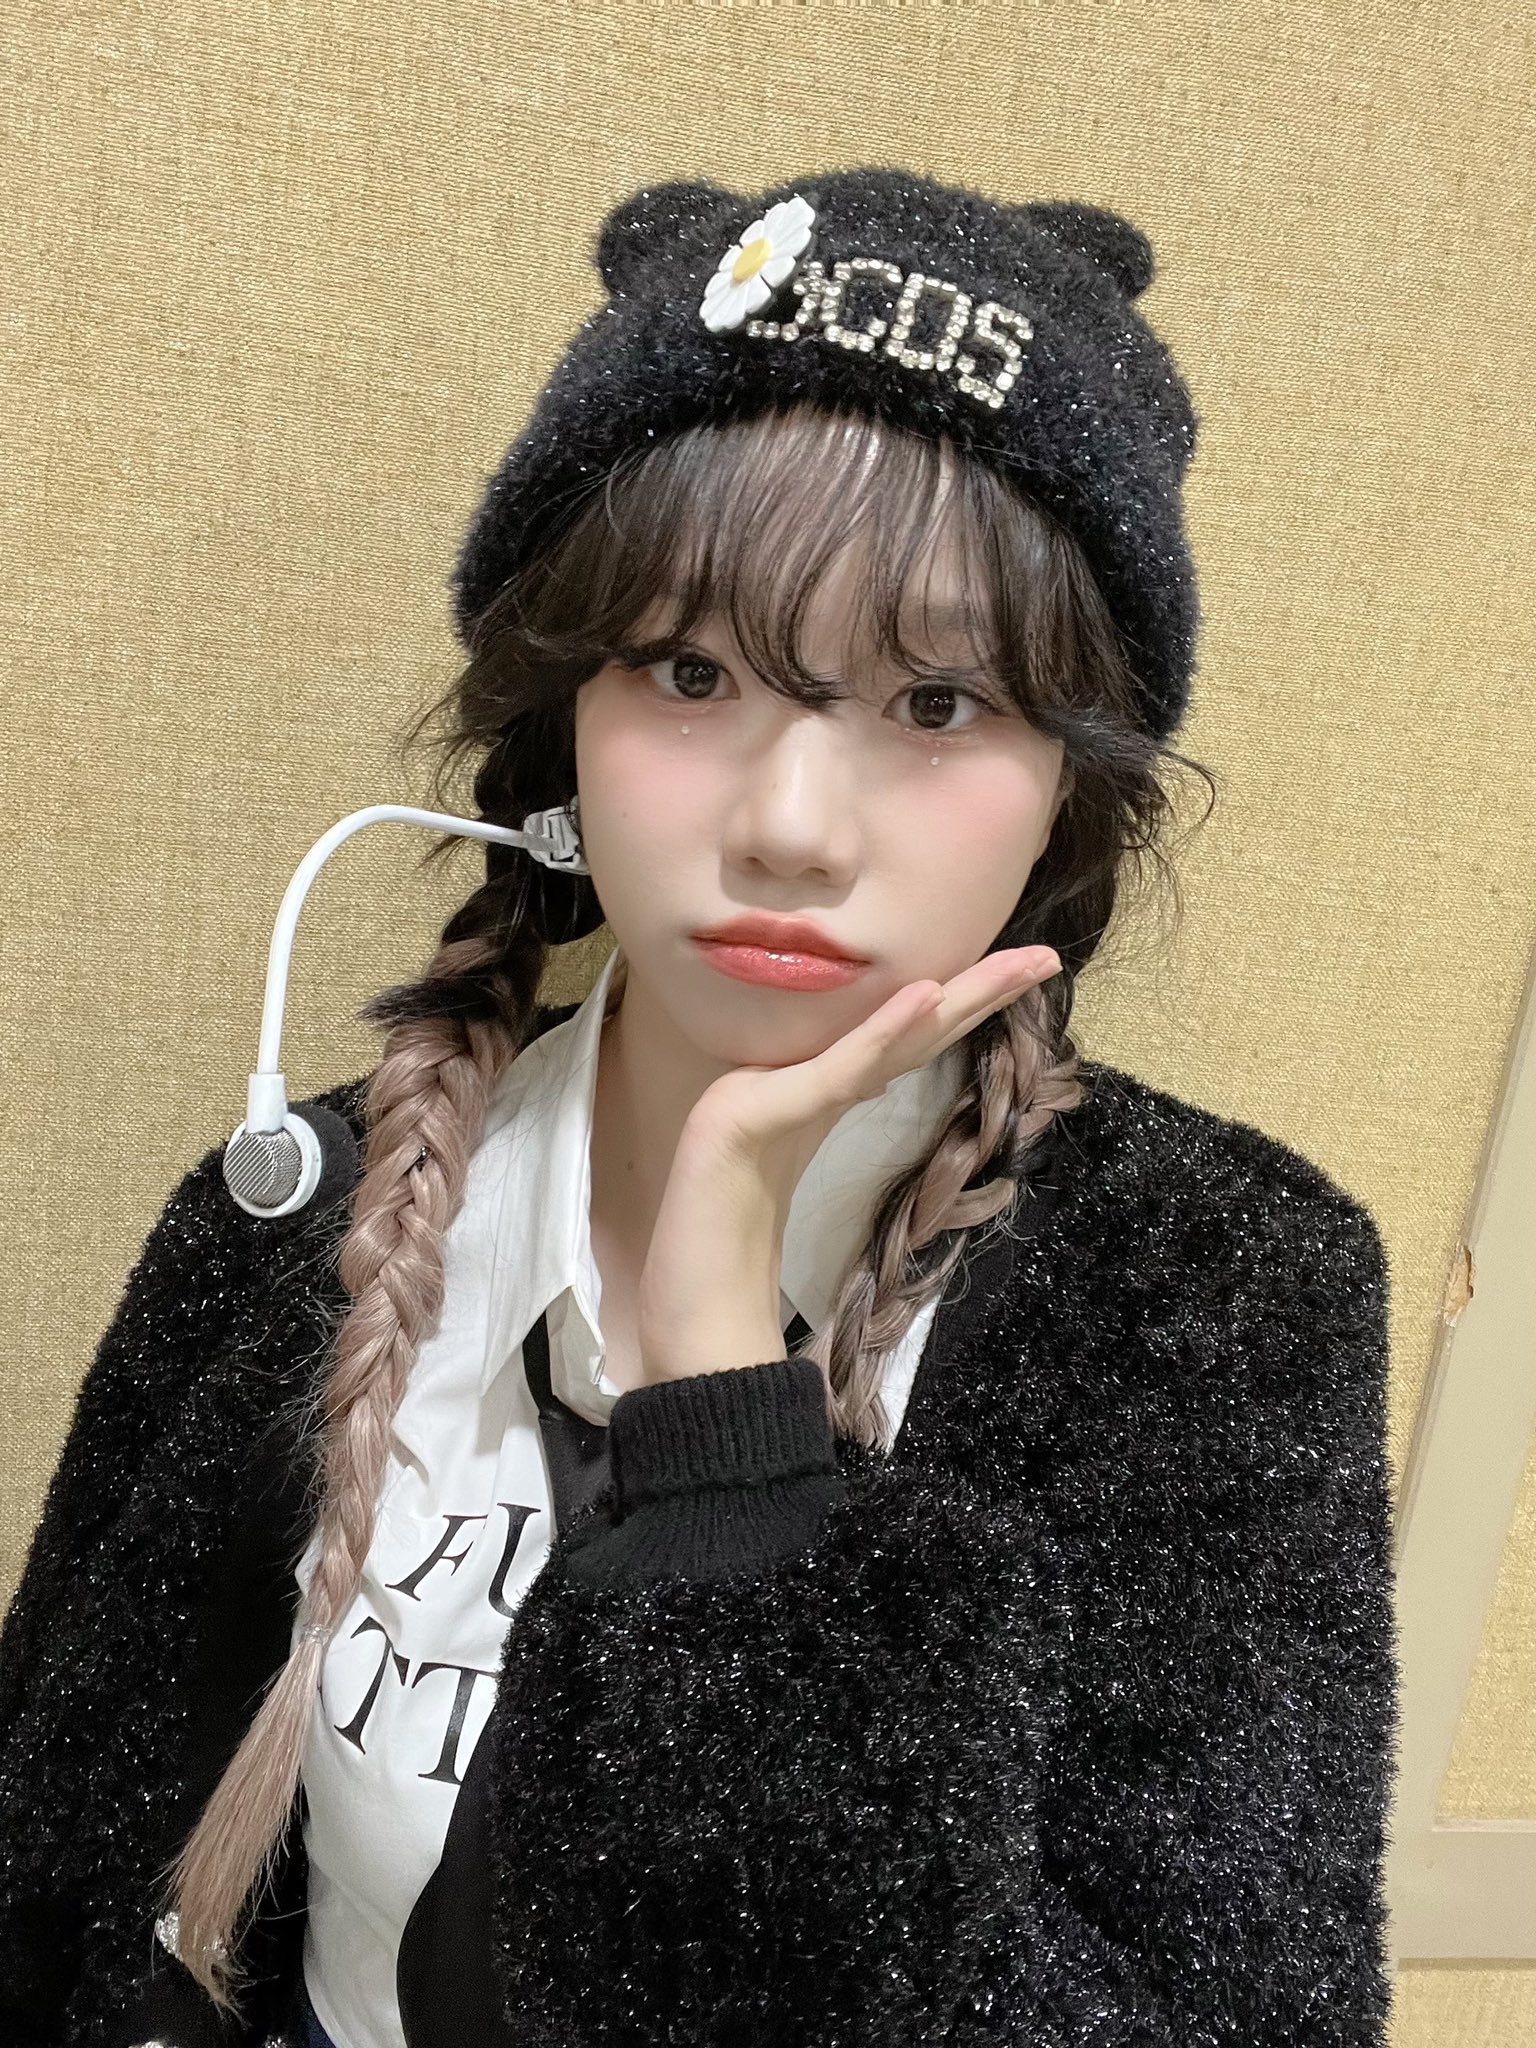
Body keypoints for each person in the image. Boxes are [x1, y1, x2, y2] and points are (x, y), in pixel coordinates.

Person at [0, 167, 1399, 2048]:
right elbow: (51, 1871)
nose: (792, 827)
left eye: (939, 702)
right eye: (689, 671)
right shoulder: (289, 1210)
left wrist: (731, 1429)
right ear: (560, 727)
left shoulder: (1214, 1289)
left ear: (1070, 784)